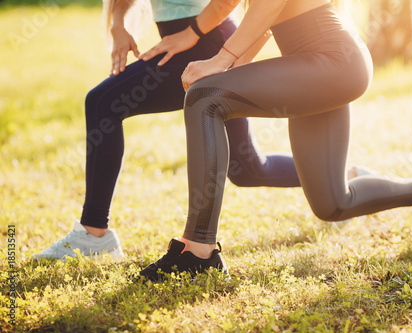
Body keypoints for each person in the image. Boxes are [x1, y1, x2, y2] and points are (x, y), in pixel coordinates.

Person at [136, 0, 412, 281]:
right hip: (321, 65)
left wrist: (223, 59)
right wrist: (229, 62)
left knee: (204, 98)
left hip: (332, 60)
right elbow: (262, 14)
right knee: (333, 203)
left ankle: (197, 251)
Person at [33, 0, 373, 261]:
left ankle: (95, 232)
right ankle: (345, 175)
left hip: (206, 42)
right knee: (247, 168)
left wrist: (197, 38)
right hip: (196, 41)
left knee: (103, 102)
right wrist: (118, 24)